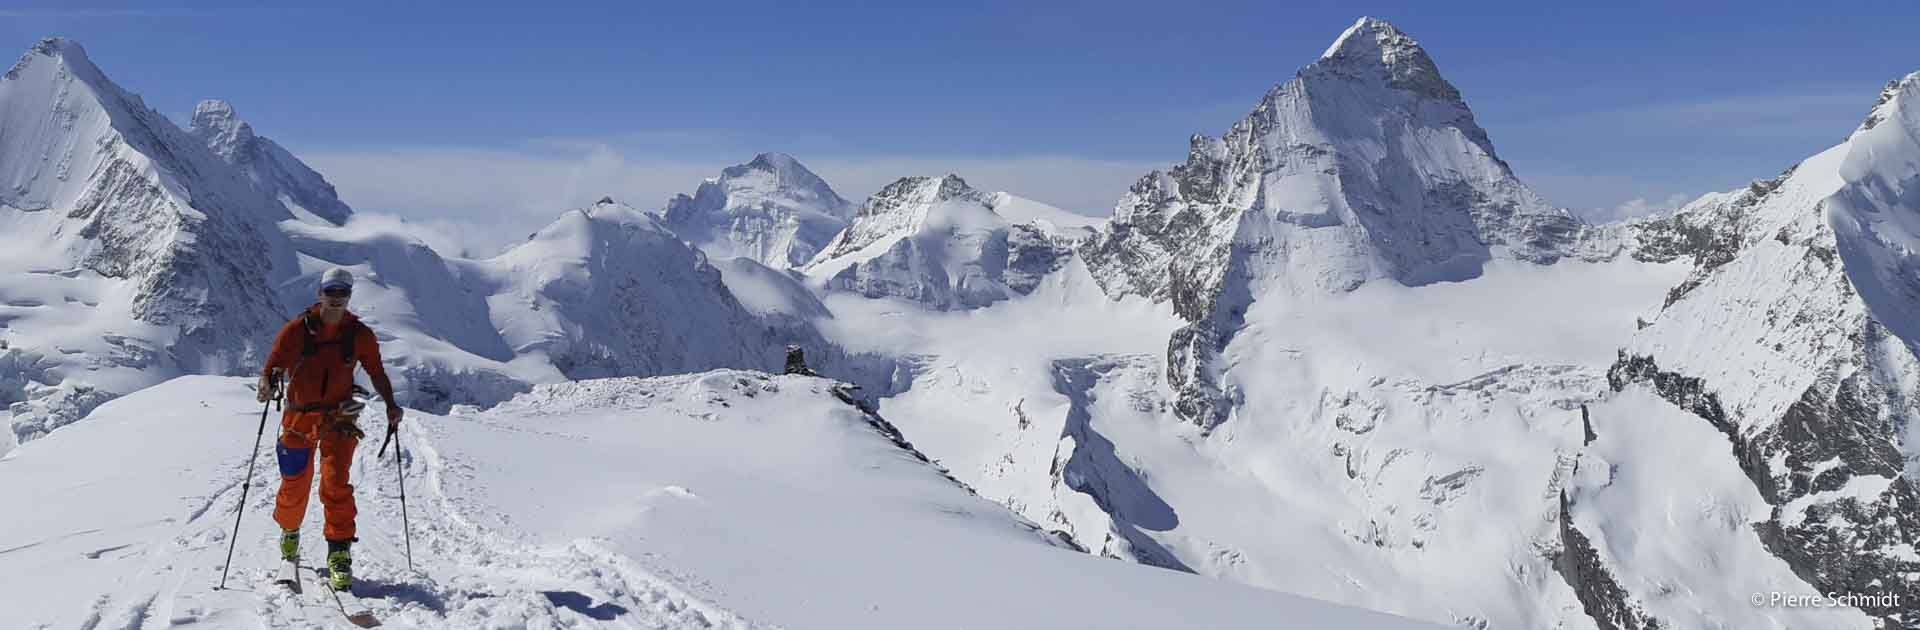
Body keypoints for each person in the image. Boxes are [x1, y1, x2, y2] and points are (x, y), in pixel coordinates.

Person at [255, 267, 402, 591]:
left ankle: (339, 554)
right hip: (298, 418)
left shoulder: (359, 334)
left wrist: (391, 404)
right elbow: (273, 365)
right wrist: (267, 383)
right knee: (294, 484)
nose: (336, 299)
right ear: (320, 294)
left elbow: (376, 372)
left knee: (336, 483)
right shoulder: (297, 330)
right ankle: (290, 534)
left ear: (348, 296)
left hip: (339, 418)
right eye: (331, 292)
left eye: (342, 293)